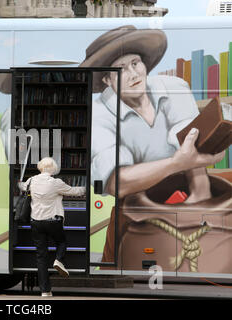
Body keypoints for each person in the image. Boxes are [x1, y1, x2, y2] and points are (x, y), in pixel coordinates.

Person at [79, 25, 225, 202]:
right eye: (121, 69)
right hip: (136, 207)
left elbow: (192, 143)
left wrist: (200, 198)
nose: (133, 74)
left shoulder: (174, 87)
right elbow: (116, 183)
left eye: (135, 63)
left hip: (187, 195)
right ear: (107, 80)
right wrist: (176, 163)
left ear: (145, 65)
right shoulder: (97, 115)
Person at [18, 157, 85, 297]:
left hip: (36, 222)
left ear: (40, 167)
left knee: (41, 257)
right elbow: (74, 191)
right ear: (53, 169)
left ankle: (45, 291)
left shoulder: (31, 181)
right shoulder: (56, 183)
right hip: (53, 221)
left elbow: (22, 186)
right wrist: (89, 187)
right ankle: (59, 260)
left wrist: (20, 183)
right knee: (61, 241)